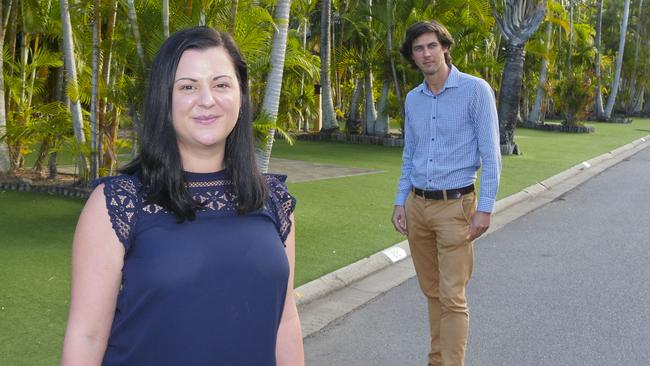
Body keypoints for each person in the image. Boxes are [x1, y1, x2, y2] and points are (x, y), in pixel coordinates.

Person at [61, 26, 304, 366]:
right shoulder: (118, 203)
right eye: (188, 87)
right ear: (165, 98)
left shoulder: (274, 200)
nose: (207, 100)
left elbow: (285, 320)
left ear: (241, 95)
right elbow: (87, 335)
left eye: (221, 84)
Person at [391, 20, 501, 366]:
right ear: (412, 56)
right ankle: (437, 360)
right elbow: (410, 154)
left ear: (444, 47)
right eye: (418, 49)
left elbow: (491, 154)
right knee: (432, 293)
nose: (426, 54)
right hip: (417, 206)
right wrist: (400, 201)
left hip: (456, 207)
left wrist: (484, 208)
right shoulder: (414, 99)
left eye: (431, 46)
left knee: (453, 297)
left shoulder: (475, 90)